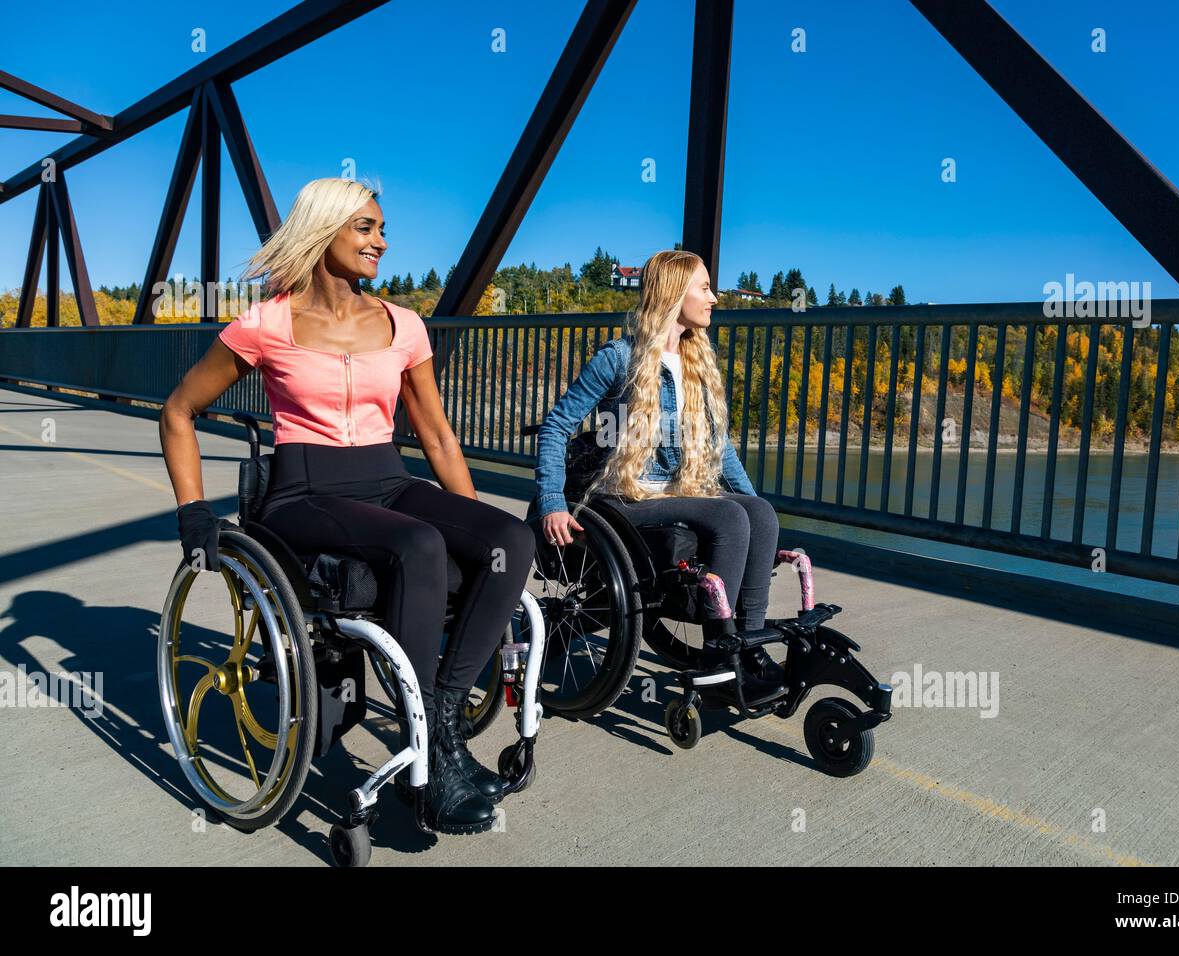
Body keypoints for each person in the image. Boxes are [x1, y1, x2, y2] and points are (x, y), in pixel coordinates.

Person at [159, 177, 534, 836]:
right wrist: (192, 510)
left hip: (386, 478)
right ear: (322, 230)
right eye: (365, 228)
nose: (380, 242)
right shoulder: (266, 324)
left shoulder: (402, 324)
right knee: (418, 546)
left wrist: (477, 531)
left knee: (511, 540)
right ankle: (434, 762)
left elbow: (439, 436)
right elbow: (179, 411)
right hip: (305, 491)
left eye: (382, 229)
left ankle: (437, 729)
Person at [533, 249, 783, 684]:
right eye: (704, 288)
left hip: (676, 490)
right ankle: (720, 654)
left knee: (758, 513)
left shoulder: (695, 360)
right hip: (628, 496)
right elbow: (555, 426)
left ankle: (749, 643)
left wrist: (753, 501)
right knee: (728, 517)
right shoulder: (618, 357)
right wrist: (552, 502)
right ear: (674, 292)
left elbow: (720, 449)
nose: (714, 298)